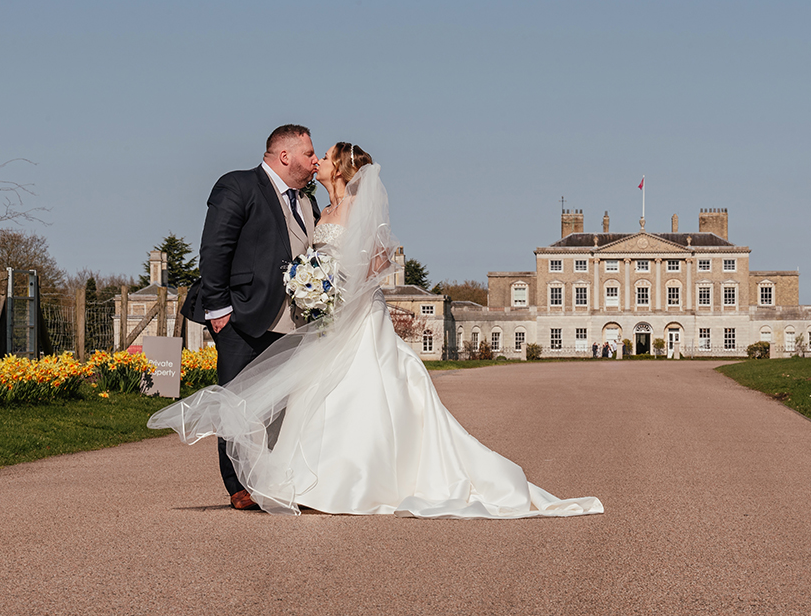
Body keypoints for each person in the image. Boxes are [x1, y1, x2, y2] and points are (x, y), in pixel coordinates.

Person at [152, 143, 603, 519]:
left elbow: (379, 262)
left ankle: (357, 480)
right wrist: (312, 288)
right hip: (326, 319)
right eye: (313, 154)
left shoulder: (347, 208)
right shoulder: (318, 206)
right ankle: (308, 482)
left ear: (342, 168)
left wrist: (335, 290)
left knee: (361, 390)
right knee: (315, 393)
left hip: (356, 315)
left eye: (323, 156)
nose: (317, 162)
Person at [179, 124, 319, 510]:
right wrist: (218, 307)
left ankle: (271, 479)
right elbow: (215, 247)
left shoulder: (308, 203)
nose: (315, 161)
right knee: (237, 404)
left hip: (293, 322)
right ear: (285, 155)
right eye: (309, 153)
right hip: (240, 316)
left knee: (279, 407)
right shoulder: (238, 186)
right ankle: (238, 484)